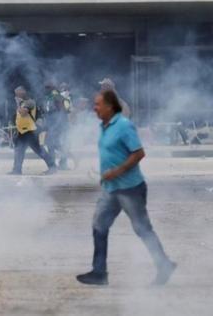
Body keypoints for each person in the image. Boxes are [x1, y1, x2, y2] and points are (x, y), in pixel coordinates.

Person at [76, 90, 176, 287]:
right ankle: (99, 272)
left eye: (98, 105)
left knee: (142, 229)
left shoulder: (123, 125)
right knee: (99, 226)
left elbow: (139, 153)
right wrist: (106, 175)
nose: (94, 108)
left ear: (110, 106)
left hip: (130, 188)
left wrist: (117, 171)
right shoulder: (103, 126)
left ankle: (163, 264)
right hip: (111, 188)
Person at [10, 86, 56, 175]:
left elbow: (23, 113)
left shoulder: (29, 102)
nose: (16, 95)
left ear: (23, 92)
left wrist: (18, 104)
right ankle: (17, 170)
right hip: (22, 131)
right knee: (19, 151)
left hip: (30, 131)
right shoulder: (22, 103)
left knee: (39, 150)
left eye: (18, 92)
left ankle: (52, 167)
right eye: (16, 93)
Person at [42, 82, 70, 170]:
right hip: (52, 124)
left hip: (57, 125)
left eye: (47, 87)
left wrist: (56, 126)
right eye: (45, 87)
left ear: (52, 88)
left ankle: (54, 166)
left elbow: (62, 112)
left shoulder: (57, 96)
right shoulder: (49, 97)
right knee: (52, 144)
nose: (45, 89)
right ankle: (62, 161)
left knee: (51, 144)